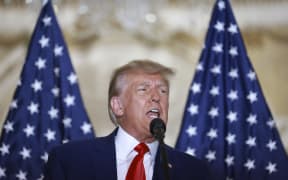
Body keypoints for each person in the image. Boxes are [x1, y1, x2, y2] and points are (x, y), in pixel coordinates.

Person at [44, 59, 210, 180]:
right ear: (118, 106)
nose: (156, 97)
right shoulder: (71, 160)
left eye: (163, 91)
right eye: (143, 89)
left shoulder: (193, 171)